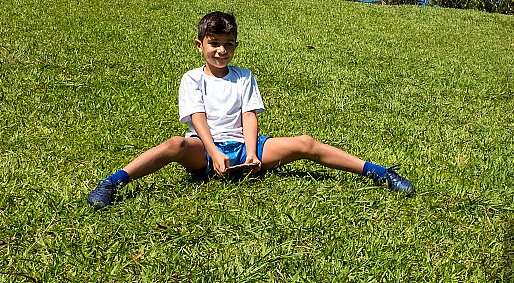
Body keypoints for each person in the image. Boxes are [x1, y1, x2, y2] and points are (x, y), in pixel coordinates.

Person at [86, 11, 414, 209]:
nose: (221, 50)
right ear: (200, 45)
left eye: (228, 44)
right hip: (204, 150)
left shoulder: (244, 76)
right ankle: (112, 183)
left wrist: (253, 154)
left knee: (305, 143)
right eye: (214, 43)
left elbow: (249, 115)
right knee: (175, 144)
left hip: (245, 147)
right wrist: (213, 153)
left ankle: (380, 172)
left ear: (235, 46)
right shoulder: (192, 78)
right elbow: (197, 120)